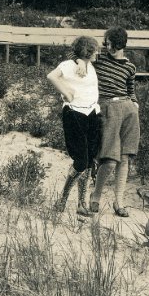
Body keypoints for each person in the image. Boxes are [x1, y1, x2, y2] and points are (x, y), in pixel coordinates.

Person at [46, 36, 102, 216]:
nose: (98, 53)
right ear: (88, 51)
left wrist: (80, 61)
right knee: (81, 161)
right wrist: (66, 92)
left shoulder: (88, 65)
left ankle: (81, 204)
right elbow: (51, 76)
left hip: (92, 113)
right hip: (74, 113)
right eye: (95, 50)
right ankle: (62, 200)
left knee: (89, 160)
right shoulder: (68, 65)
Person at [89, 27, 140, 217]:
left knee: (125, 158)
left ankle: (119, 203)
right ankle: (95, 196)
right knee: (109, 160)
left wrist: (134, 103)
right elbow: (79, 56)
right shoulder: (99, 59)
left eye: (111, 43)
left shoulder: (130, 67)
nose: (107, 46)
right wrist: (79, 62)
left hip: (128, 110)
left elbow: (130, 89)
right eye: (106, 42)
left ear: (120, 43)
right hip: (108, 108)